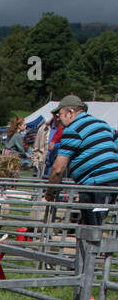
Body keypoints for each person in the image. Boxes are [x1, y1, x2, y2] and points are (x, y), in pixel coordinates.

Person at [46, 95, 118, 227]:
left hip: (95, 184)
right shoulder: (102, 124)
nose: (58, 118)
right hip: (113, 182)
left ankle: (91, 246)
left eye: (59, 114)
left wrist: (50, 192)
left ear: (70, 112)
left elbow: (58, 168)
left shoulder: (73, 129)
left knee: (90, 228)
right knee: (97, 223)